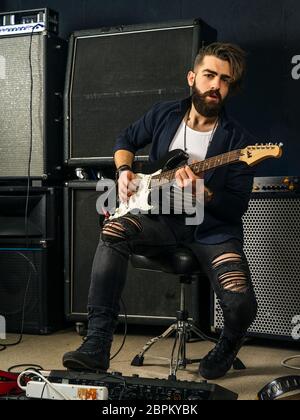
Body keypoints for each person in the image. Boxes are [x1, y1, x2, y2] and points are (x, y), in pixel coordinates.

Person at [63, 42, 258, 380]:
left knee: (240, 301)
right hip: (161, 221)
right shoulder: (164, 114)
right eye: (210, 75)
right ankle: (96, 345)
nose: (216, 85)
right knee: (113, 229)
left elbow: (235, 207)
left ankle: (227, 344)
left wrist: (204, 192)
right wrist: (124, 172)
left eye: (225, 80)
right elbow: (125, 139)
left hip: (212, 232)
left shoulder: (240, 142)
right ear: (192, 77)